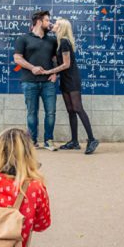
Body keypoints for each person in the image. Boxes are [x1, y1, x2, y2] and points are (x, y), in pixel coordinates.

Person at [41, 18, 99, 154]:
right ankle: (74, 141)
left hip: (72, 79)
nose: (53, 25)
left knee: (78, 108)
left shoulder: (65, 42)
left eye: (56, 24)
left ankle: (92, 139)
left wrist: (50, 71)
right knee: (70, 110)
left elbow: (66, 64)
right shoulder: (59, 43)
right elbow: (59, 61)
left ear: (61, 28)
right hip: (65, 80)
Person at [14, 11, 59, 151]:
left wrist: (55, 72)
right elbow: (17, 58)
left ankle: (48, 141)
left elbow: (57, 59)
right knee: (32, 112)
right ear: (39, 21)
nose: (49, 23)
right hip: (29, 82)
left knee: (51, 112)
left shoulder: (52, 40)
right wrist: (32, 68)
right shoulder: (23, 38)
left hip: (48, 83)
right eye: (47, 20)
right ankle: (32, 142)